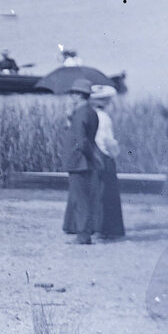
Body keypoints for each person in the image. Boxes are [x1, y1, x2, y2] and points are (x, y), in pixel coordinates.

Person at [61, 79, 101, 244]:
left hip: (79, 162)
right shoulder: (90, 112)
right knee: (83, 198)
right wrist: (70, 119)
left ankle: (83, 235)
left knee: (80, 200)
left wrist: (91, 157)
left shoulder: (81, 113)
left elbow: (81, 141)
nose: (71, 97)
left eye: (73, 93)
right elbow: (83, 136)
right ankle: (84, 231)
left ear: (79, 95)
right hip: (84, 161)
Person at [89, 84, 126, 241]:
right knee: (106, 192)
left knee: (97, 190)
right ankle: (106, 228)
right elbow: (107, 140)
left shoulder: (90, 114)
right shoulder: (104, 117)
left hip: (94, 153)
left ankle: (96, 226)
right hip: (104, 155)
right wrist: (114, 152)